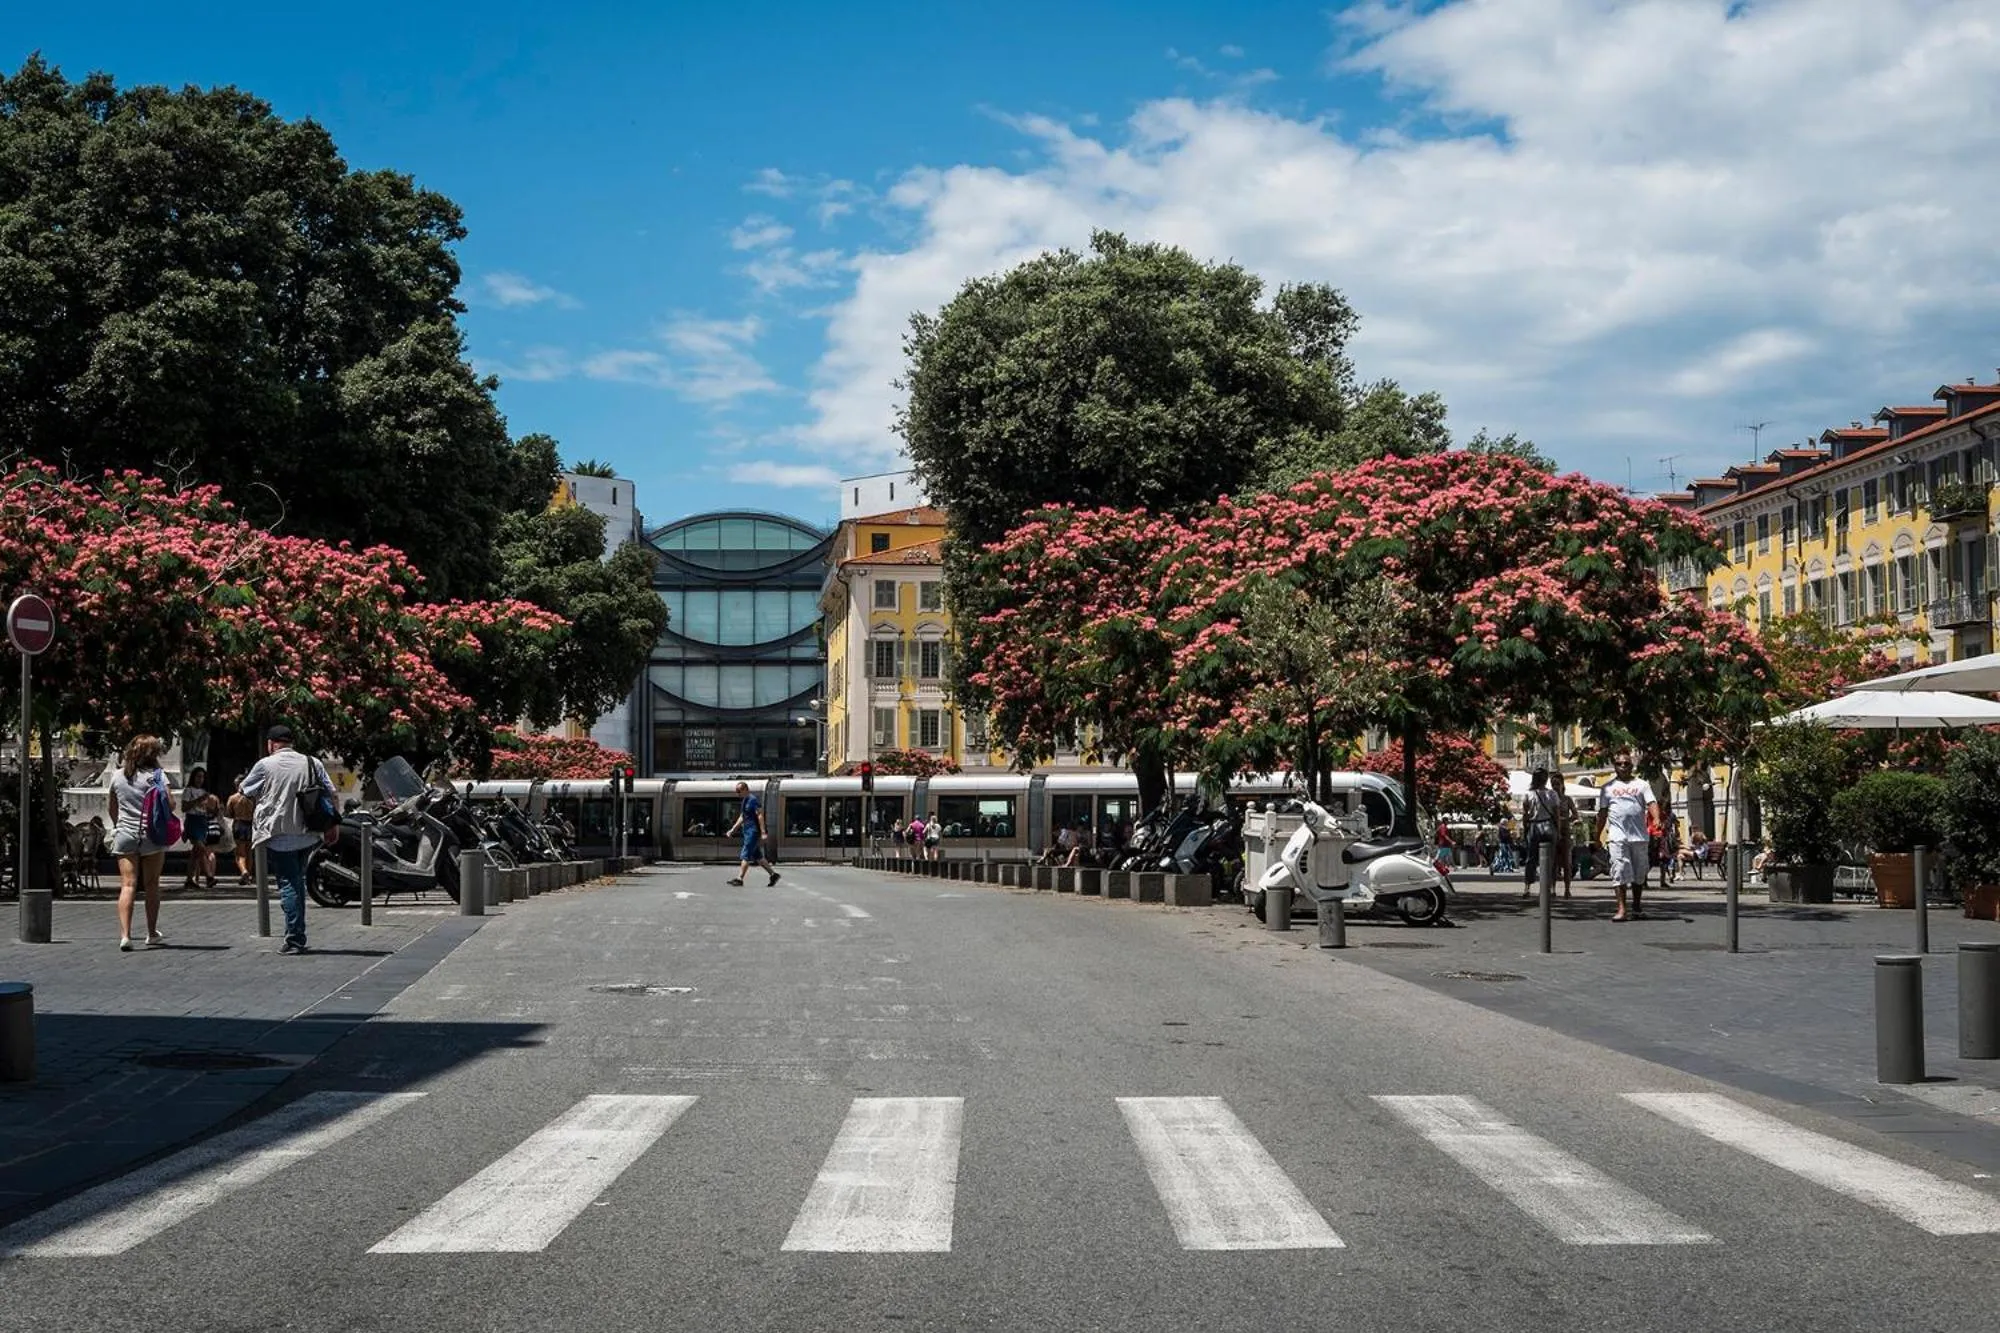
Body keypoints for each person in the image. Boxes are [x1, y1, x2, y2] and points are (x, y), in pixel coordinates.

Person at [240, 724, 339, 954]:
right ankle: (296, 932)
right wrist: (333, 825)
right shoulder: (312, 762)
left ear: (271, 744)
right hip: (308, 833)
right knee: (297, 881)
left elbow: (245, 791)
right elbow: (331, 792)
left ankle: (295, 938)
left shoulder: (265, 765)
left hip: (278, 834)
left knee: (289, 884)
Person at [108, 734, 173, 951]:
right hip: (151, 835)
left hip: (125, 833)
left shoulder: (117, 776)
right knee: (152, 884)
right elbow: (170, 804)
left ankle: (125, 935)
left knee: (128, 885)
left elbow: (112, 807)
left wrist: (120, 824)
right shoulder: (157, 777)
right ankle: (151, 933)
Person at [1595, 751, 1660, 922]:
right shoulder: (1607, 788)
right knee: (1619, 870)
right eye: (1619, 763)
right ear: (1614, 766)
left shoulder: (1642, 785)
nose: (1623, 766)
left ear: (1632, 766)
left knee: (1639, 873)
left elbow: (1651, 803)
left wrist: (1657, 819)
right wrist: (1597, 835)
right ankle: (1621, 909)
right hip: (1617, 836)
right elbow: (1602, 813)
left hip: (1638, 836)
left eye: (1626, 763)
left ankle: (1637, 907)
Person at [724, 780, 780, 886]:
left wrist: (763, 832)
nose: (738, 793)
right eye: (736, 791)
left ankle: (739, 878)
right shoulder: (745, 800)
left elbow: (760, 815)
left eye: (739, 791)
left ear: (746, 789)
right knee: (757, 856)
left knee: (745, 854)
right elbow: (742, 817)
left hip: (753, 832)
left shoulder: (753, 800)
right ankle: (773, 874)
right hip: (747, 831)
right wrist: (733, 829)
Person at [1519, 768, 1562, 898]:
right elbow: (1557, 815)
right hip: (1549, 825)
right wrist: (1558, 831)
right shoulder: (1552, 794)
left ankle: (1527, 887)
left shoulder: (1528, 794)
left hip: (1534, 826)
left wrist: (1525, 829)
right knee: (1551, 859)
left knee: (1531, 858)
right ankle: (1551, 888)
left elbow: (1525, 815)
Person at [180, 765, 217, 891]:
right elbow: (184, 808)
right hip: (192, 820)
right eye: (198, 777)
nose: (200, 779)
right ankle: (209, 876)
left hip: (202, 821)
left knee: (195, 854)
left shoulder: (205, 792)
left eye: (202, 777)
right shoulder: (188, 791)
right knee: (201, 849)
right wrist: (197, 800)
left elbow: (208, 809)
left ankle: (189, 880)